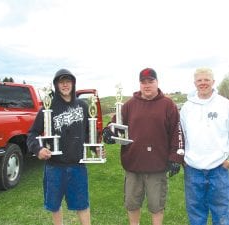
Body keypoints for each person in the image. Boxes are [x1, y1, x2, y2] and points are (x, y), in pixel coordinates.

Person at [103, 68, 184, 225]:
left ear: (157, 82)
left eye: (151, 81)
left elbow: (177, 132)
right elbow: (115, 123)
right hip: (133, 165)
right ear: (139, 84)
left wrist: (176, 158)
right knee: (132, 205)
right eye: (143, 82)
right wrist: (108, 131)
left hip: (157, 167)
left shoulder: (168, 105)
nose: (147, 85)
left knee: (156, 207)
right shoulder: (129, 105)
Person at [27, 69, 96, 225]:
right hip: (54, 166)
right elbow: (32, 133)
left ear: (73, 83)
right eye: (61, 82)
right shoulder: (49, 106)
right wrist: (38, 149)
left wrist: (95, 148)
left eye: (68, 81)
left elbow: (88, 134)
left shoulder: (83, 106)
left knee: (82, 205)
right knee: (55, 206)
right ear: (56, 85)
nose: (65, 85)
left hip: (78, 165)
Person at [180, 68, 229, 225]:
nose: (203, 83)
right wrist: (183, 158)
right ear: (195, 83)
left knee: (221, 213)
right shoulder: (187, 108)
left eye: (206, 80)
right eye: (199, 80)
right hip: (193, 170)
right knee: (196, 214)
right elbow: (180, 134)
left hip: (219, 169)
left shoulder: (225, 105)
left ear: (213, 82)